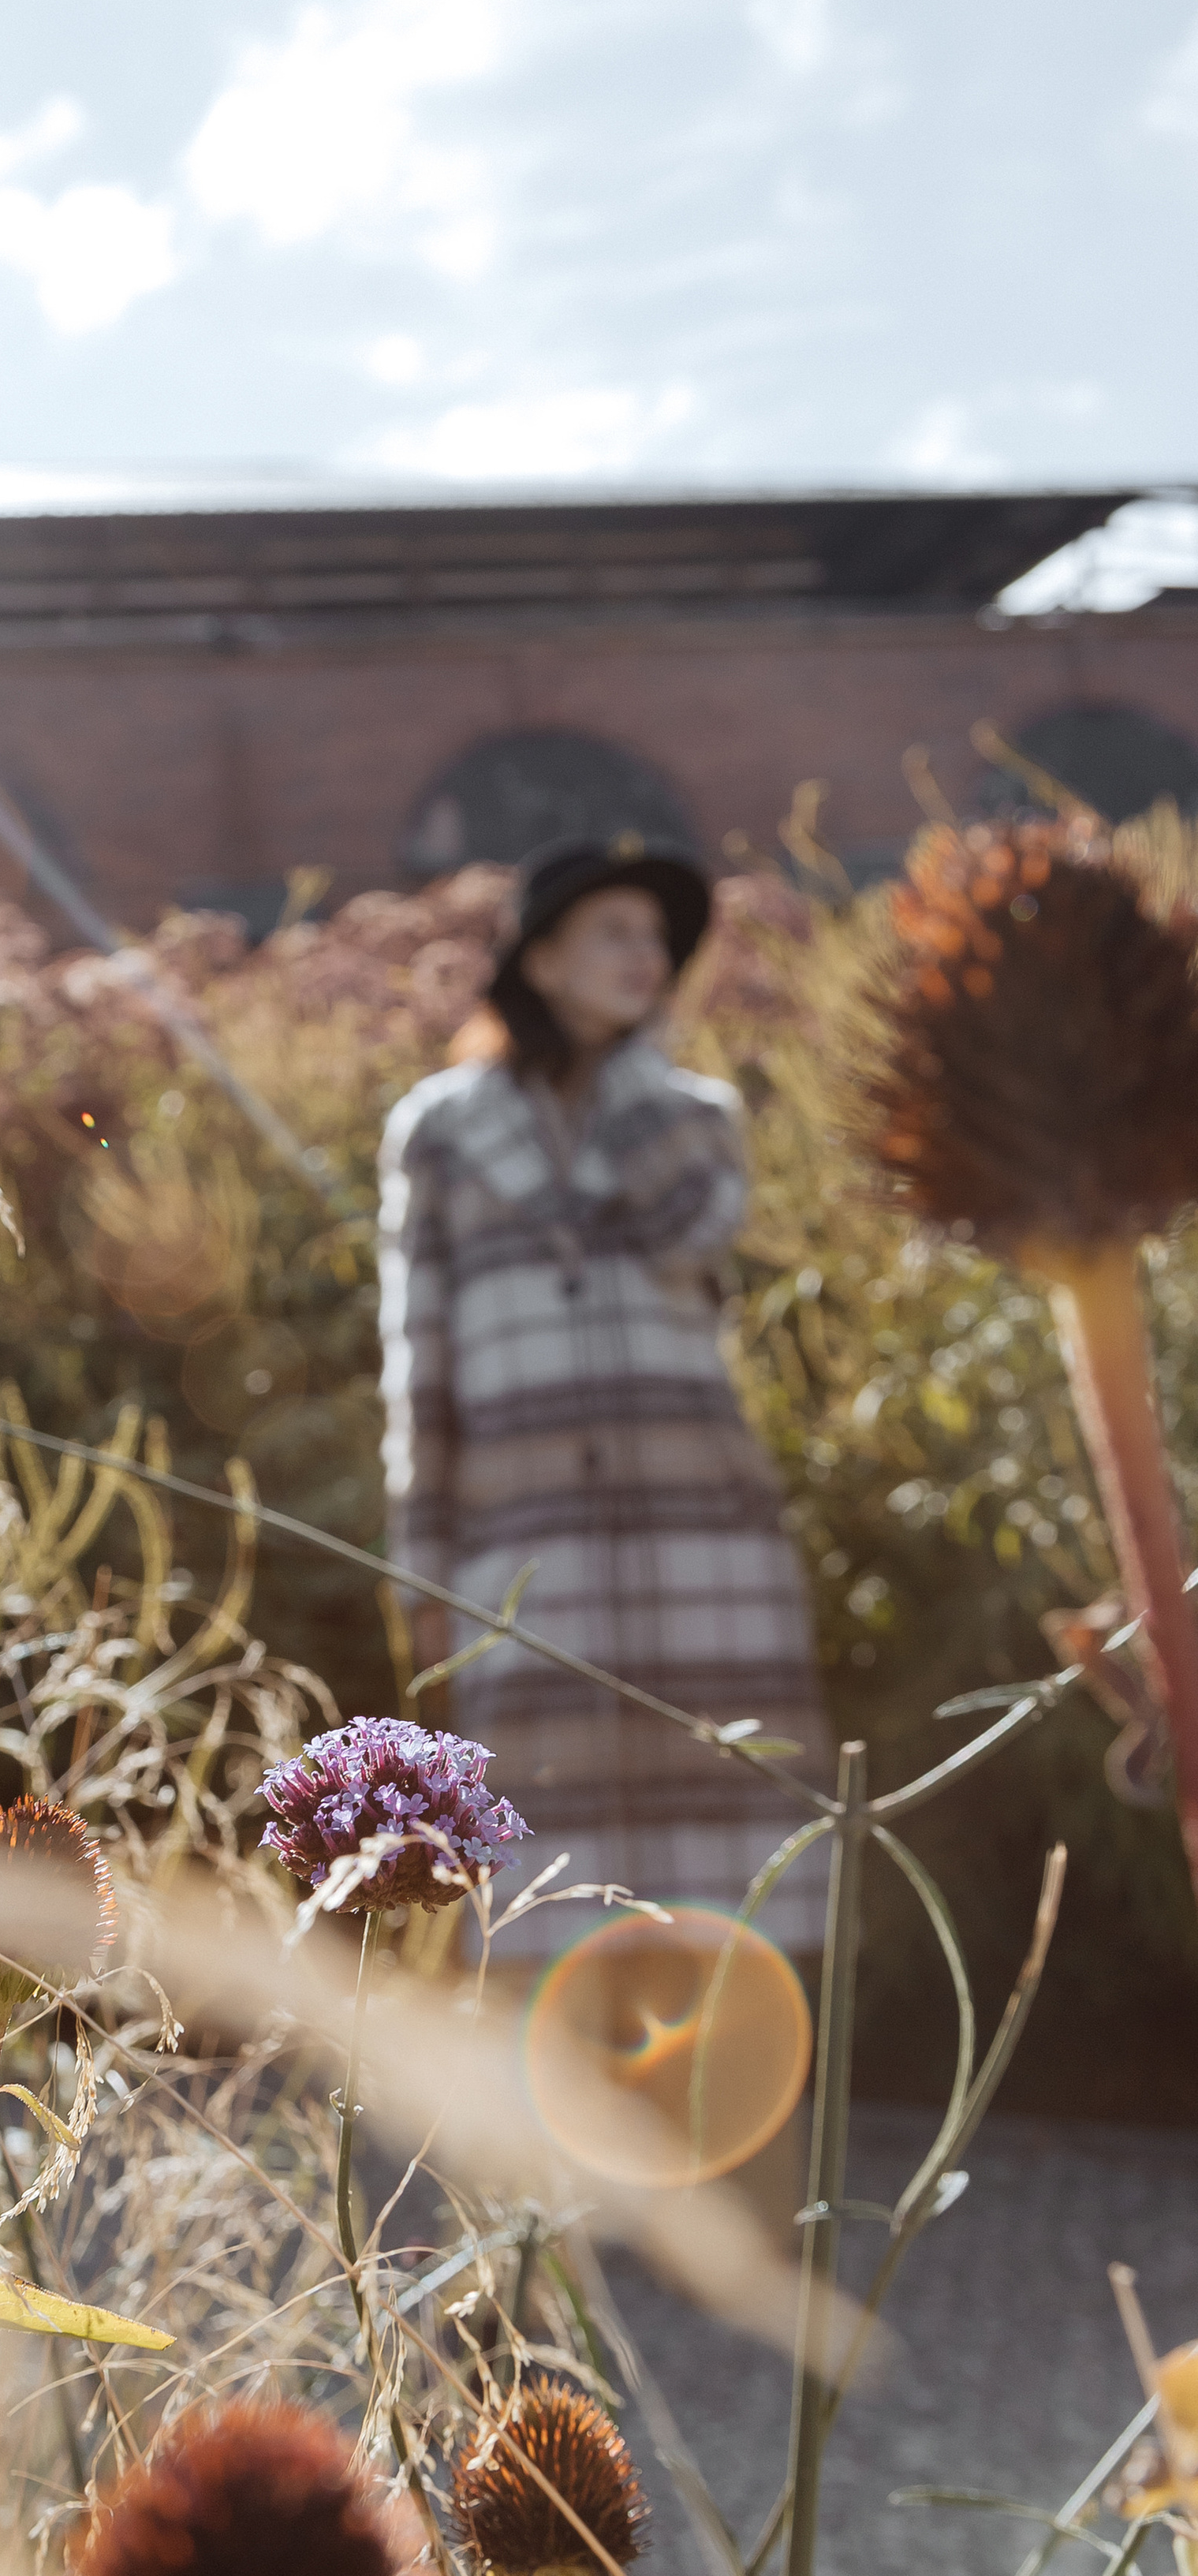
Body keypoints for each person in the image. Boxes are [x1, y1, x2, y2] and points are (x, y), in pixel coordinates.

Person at [377, 838, 830, 1961]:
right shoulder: (439, 1131)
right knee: (546, 1864)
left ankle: (728, 2110)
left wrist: (630, 1078)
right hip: (527, 1538)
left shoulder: (691, 1113)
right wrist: (422, 1561)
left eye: (658, 941)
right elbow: (417, 1358)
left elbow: (693, 1228)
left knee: (724, 1849)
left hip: (698, 1532)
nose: (647, 958)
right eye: (614, 934)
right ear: (540, 960)